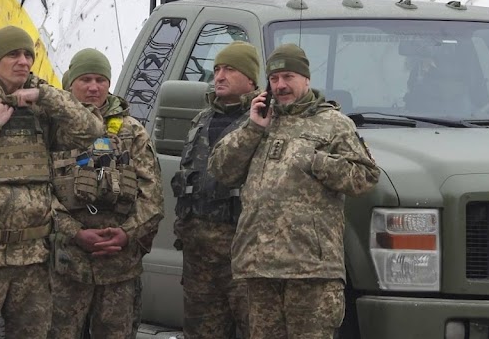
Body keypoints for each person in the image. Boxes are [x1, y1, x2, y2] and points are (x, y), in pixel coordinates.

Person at [0, 26, 105, 339]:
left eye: (29, 55)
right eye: (14, 54)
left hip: (34, 257)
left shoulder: (43, 105)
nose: (23, 61)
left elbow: (92, 129)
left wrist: (46, 94)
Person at [209, 44, 380, 339]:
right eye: (274, 79)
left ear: (306, 79)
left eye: (288, 77)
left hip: (311, 271)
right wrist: (253, 129)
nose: (281, 86)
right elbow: (222, 171)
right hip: (259, 267)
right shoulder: (260, 118)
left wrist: (316, 161)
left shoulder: (333, 124)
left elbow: (365, 177)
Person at [47, 48, 164, 339]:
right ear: (70, 83)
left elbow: (153, 197)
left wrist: (126, 233)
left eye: (100, 80)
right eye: (85, 79)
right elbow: (38, 191)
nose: (93, 87)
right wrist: (74, 232)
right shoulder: (54, 129)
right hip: (66, 265)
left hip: (119, 269)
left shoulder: (131, 132)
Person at [172, 41, 260, 338]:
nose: (219, 76)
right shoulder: (201, 120)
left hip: (244, 257)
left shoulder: (263, 120)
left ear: (250, 79)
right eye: (218, 69)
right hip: (199, 257)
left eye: (230, 69)